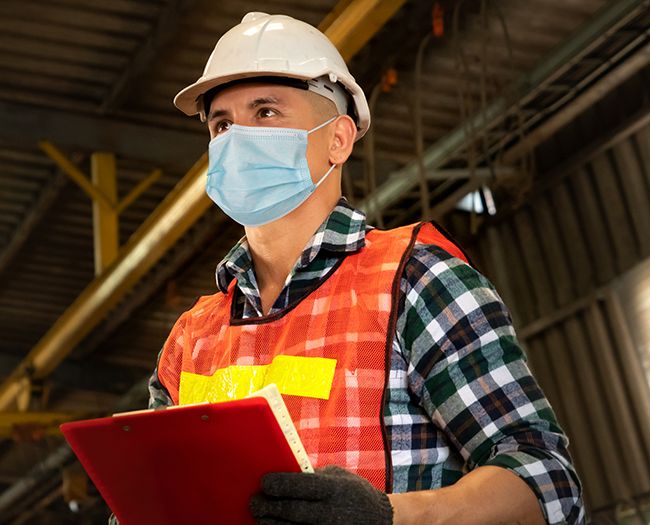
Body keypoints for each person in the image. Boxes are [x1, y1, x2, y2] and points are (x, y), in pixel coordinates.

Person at [125, 12, 583, 525]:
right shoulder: (192, 339)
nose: (237, 138)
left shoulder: (415, 279)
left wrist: (389, 515)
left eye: (267, 111)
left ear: (338, 139)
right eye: (222, 124)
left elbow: (547, 479)